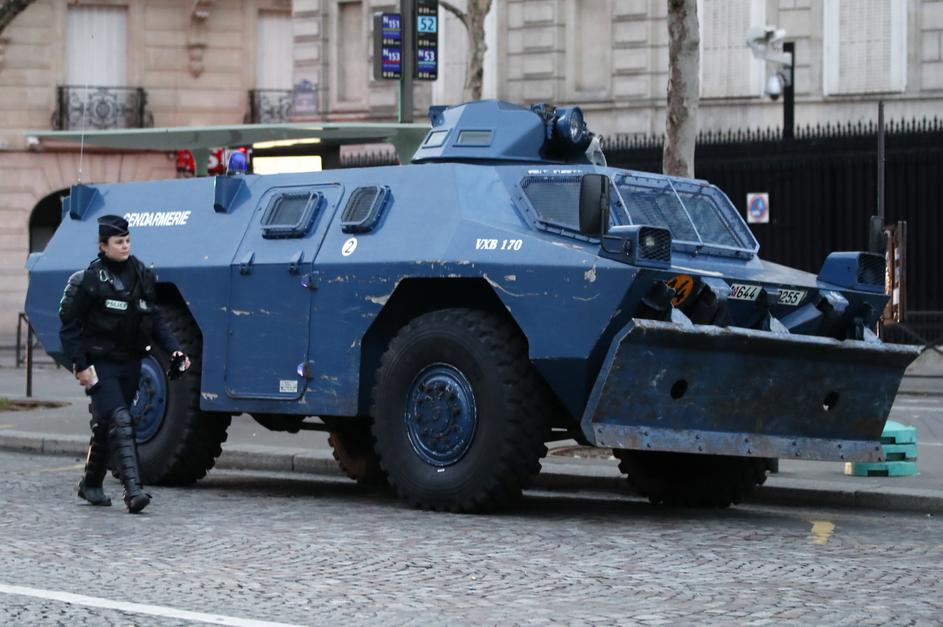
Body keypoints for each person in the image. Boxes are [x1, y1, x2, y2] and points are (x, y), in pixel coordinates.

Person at [58, 215, 190, 513]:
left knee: (108, 423)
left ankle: (90, 484)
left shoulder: (140, 274)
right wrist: (80, 365)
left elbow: (154, 319)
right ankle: (134, 492)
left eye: (128, 241)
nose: (125, 246)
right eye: (119, 242)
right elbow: (69, 327)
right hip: (99, 363)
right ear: (103, 246)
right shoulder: (90, 280)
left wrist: (175, 351)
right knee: (121, 418)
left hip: (130, 362)